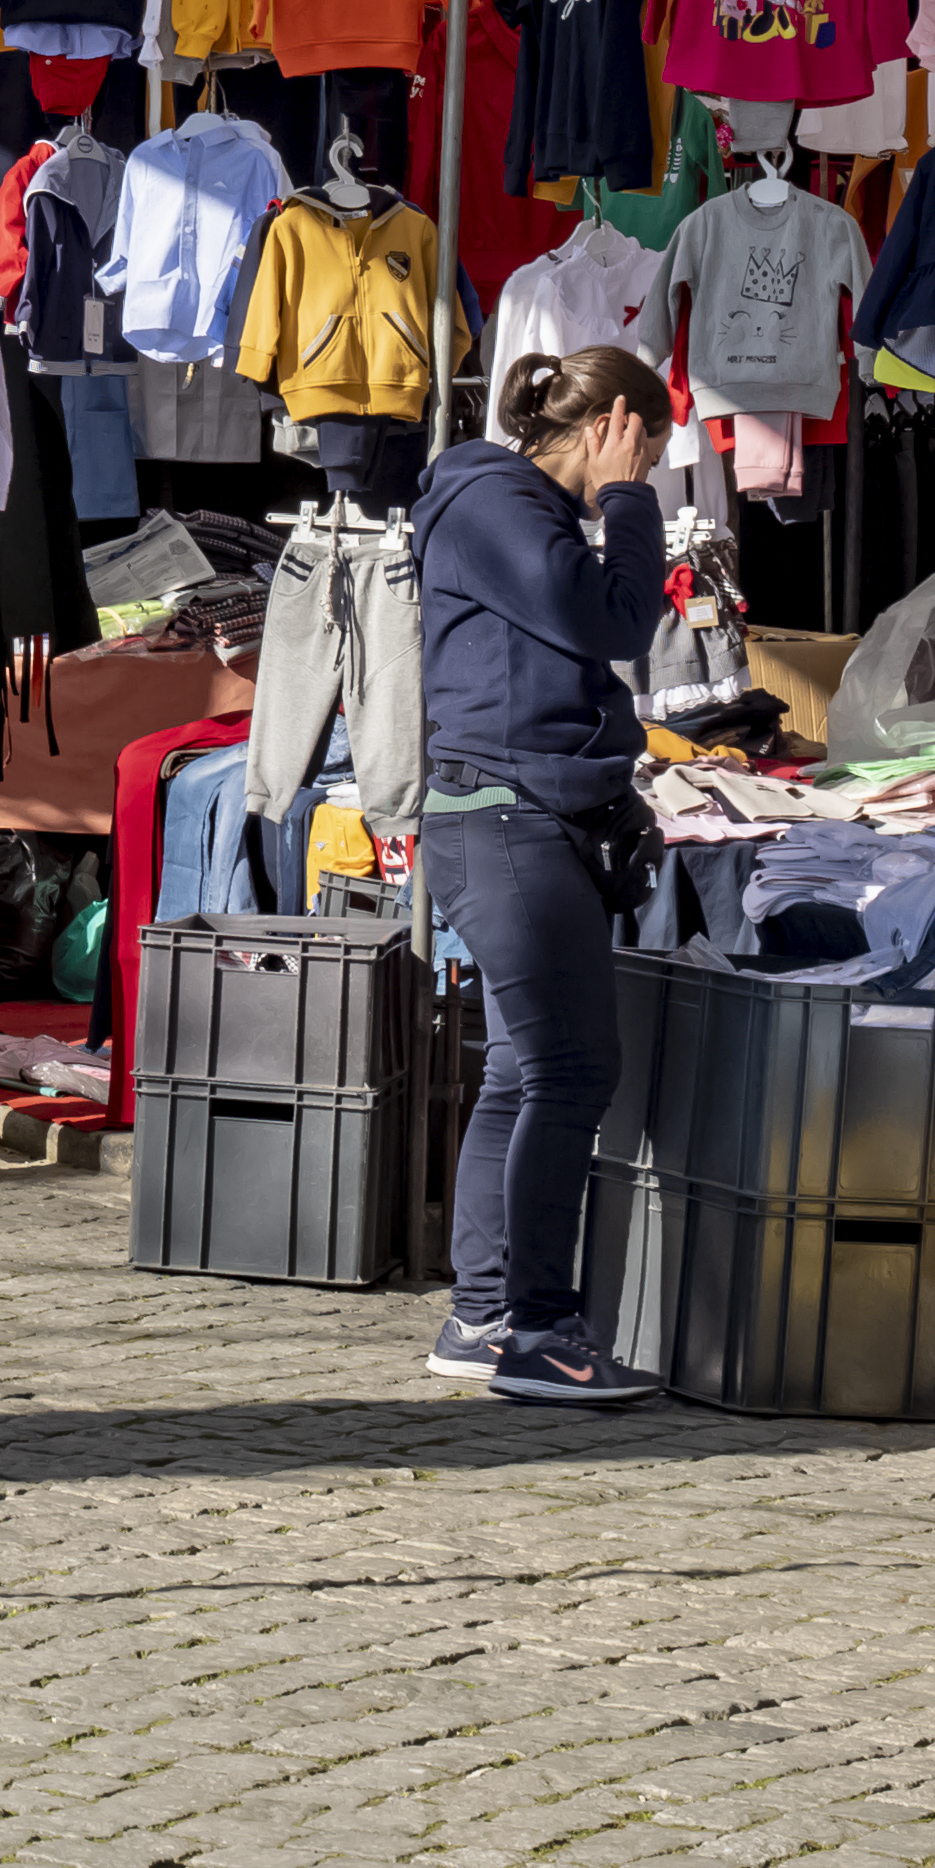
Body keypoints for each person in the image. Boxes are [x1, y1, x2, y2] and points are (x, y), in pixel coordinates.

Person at [412, 342, 678, 1409]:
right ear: (619, 428)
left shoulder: (512, 506)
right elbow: (612, 619)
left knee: (525, 1072)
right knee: (572, 1073)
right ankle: (541, 1332)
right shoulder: (496, 505)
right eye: (646, 450)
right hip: (505, 822)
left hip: (524, 815)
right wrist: (626, 504)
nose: (649, 472)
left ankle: (483, 1316)